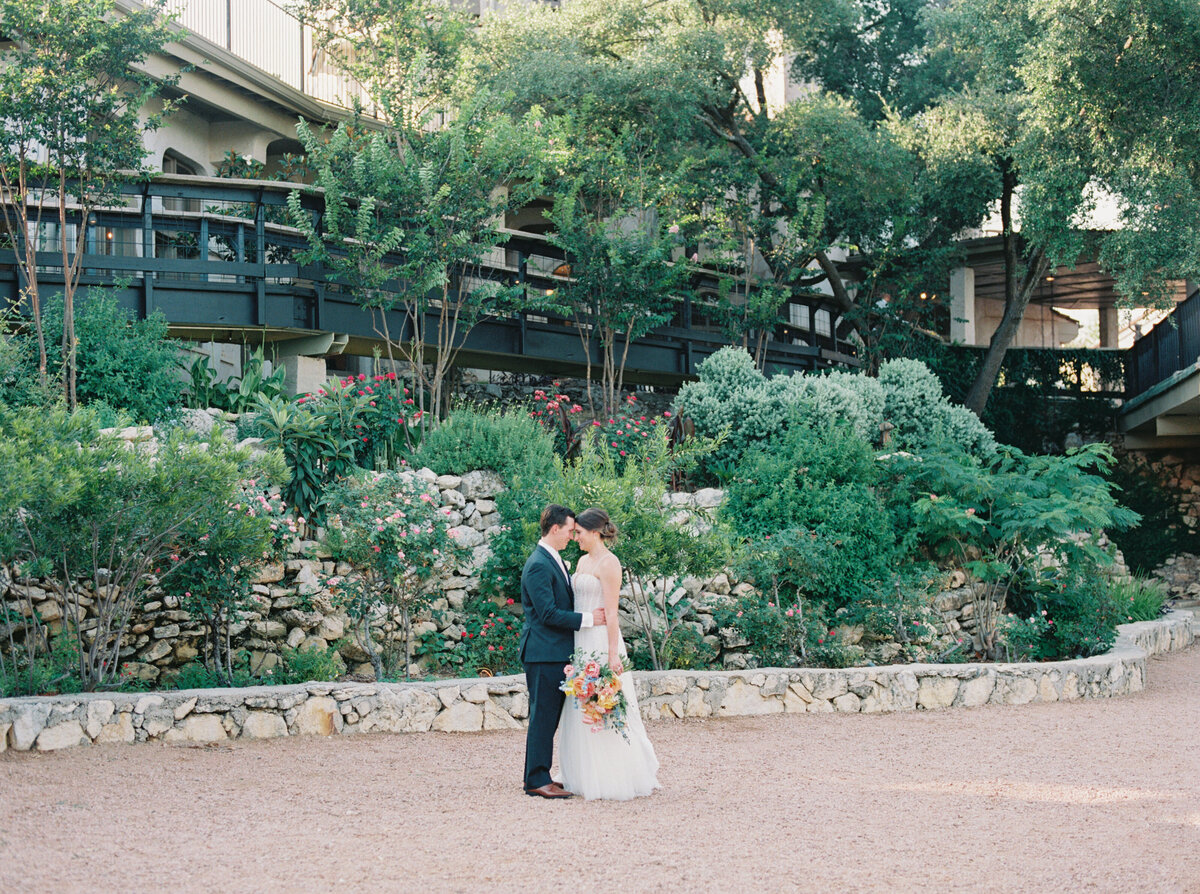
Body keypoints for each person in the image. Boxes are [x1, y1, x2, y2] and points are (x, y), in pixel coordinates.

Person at [558, 507, 660, 801]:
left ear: (595, 533)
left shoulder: (609, 563)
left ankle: (611, 774)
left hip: (601, 641)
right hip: (580, 639)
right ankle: (580, 772)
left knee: (603, 702)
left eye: (579, 533)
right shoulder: (580, 561)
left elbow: (612, 614)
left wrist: (613, 655)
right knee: (580, 702)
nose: (575, 537)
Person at [519, 504, 607, 799]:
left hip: (554, 652)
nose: (572, 536)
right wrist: (588, 620)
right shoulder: (538, 564)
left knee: (549, 717)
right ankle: (535, 780)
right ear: (555, 529)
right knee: (542, 716)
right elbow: (547, 614)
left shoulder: (552, 559)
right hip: (543, 653)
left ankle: (542, 774)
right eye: (570, 530)